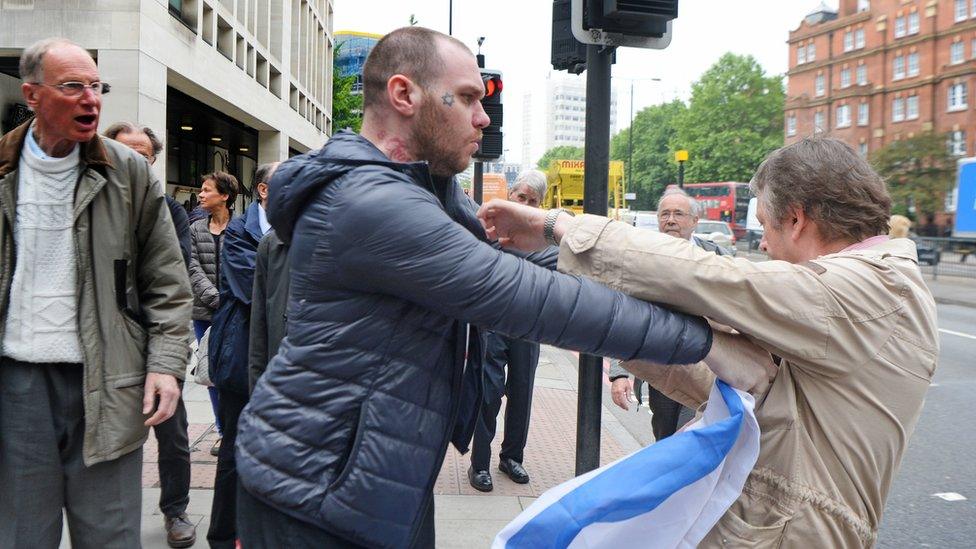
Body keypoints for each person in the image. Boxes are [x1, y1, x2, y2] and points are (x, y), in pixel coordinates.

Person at [232, 26, 765, 549]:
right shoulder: (368, 202)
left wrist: (553, 228)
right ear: (404, 94)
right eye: (467, 98)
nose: (484, 118)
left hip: (373, 473)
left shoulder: (425, 192)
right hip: (315, 492)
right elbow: (524, 297)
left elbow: (529, 266)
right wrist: (708, 344)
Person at [478, 136, 939, 547]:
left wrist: (557, 225)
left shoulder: (871, 291)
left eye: (765, 226)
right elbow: (753, 393)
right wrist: (624, 331)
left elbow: (710, 277)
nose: (762, 245)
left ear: (796, 219)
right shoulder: (860, 297)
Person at [0, 38, 192, 548]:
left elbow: (168, 281)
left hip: (110, 379)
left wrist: (166, 364)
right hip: (16, 385)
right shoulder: (2, 169)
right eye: (72, 87)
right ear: (33, 94)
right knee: (20, 534)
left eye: (96, 86)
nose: (91, 99)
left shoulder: (128, 173)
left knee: (111, 535)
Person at [103, 121, 196, 548]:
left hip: (156, 337)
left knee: (173, 435)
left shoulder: (169, 209)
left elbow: (170, 276)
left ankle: (175, 510)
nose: (137, 161)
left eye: (146, 155)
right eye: (128, 152)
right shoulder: (97, 201)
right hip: (107, 342)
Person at [608, 187, 729, 442]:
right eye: (664, 214)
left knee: (691, 435)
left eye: (678, 214)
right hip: (662, 364)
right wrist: (619, 373)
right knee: (664, 436)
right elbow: (627, 315)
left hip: (707, 363)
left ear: (695, 221)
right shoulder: (643, 258)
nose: (670, 220)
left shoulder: (717, 257)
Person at [205, 162, 278, 548]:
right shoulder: (239, 232)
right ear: (264, 190)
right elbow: (257, 291)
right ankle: (223, 535)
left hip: (280, 357)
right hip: (241, 354)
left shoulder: (297, 227)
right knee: (235, 447)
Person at [468, 169, 551, 492]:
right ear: (511, 196)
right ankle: (479, 464)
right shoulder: (492, 226)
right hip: (493, 323)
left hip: (529, 326)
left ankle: (511, 457)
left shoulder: (545, 236)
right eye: (522, 197)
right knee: (488, 394)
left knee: (522, 393)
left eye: (534, 200)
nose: (526, 203)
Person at [188, 170, 238, 457]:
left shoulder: (240, 228)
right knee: (210, 373)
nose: (201, 194)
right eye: (201, 190)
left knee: (232, 373)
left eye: (207, 190)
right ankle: (222, 431)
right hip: (203, 313)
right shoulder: (195, 229)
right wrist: (213, 297)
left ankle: (235, 428)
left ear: (225, 196)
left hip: (232, 312)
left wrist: (227, 300)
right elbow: (192, 266)